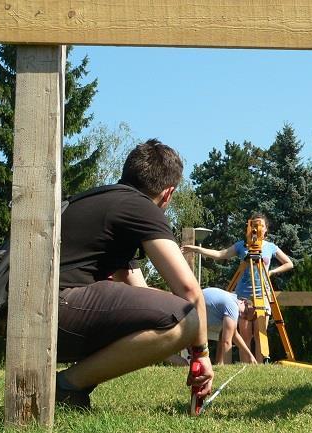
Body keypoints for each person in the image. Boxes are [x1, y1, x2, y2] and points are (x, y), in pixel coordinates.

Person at [55, 139, 214, 409]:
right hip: (54, 308)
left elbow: (139, 294)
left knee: (175, 313)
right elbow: (189, 292)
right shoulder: (140, 207)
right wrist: (200, 353)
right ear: (168, 194)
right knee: (187, 319)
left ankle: (70, 388)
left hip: (24, 309)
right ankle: (65, 387)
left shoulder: (105, 202)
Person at [182, 213, 293, 361]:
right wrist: (197, 249)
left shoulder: (271, 247)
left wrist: (272, 272)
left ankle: (259, 369)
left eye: (260, 225)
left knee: (261, 335)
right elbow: (220, 254)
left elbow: (289, 263)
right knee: (245, 335)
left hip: (262, 295)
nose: (256, 228)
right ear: (249, 226)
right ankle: (245, 365)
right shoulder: (241, 245)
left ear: (266, 229)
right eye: (253, 225)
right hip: (243, 296)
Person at [203, 287, 257, 365]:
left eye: (245, 317)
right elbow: (226, 342)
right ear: (243, 302)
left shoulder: (231, 298)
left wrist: (250, 355)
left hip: (190, 307)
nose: (242, 315)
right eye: (245, 312)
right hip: (190, 313)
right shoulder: (233, 307)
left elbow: (234, 334)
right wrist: (227, 368)